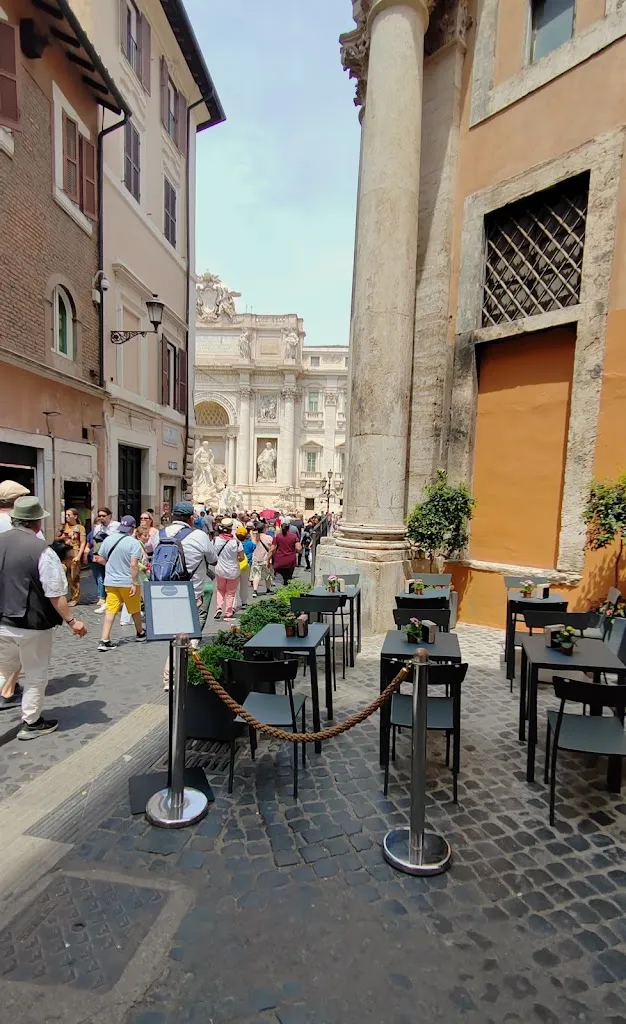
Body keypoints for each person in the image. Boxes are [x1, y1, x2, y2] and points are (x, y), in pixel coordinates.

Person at [0, 496, 87, 738]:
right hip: (31, 623)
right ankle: (32, 722)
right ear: (37, 523)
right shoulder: (42, 551)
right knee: (36, 674)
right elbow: (54, 592)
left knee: (4, 671)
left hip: (2, 621)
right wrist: (72, 621)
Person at [155, 501, 217, 651]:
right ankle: (190, 648)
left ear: (173, 516)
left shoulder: (160, 534)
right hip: (192, 590)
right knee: (193, 620)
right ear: (191, 518)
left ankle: (177, 653)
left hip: (164, 590)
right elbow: (213, 560)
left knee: (175, 630)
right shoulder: (199, 536)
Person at [96, 516, 146, 651]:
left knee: (111, 609)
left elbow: (99, 558)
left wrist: (110, 566)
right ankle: (140, 632)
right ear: (133, 528)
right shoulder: (133, 543)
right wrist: (135, 583)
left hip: (111, 581)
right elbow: (134, 564)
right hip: (127, 581)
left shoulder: (108, 539)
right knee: (134, 608)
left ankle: (104, 639)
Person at [86, 506, 120, 613]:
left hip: (114, 556)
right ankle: (106, 599)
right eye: (99, 516)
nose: (101, 518)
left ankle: (117, 600)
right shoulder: (97, 528)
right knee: (103, 578)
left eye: (103, 516)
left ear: (110, 516)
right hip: (102, 556)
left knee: (113, 578)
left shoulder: (117, 526)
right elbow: (96, 542)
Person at [214, 518, 245, 620]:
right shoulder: (236, 542)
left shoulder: (215, 540)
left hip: (220, 570)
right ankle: (228, 612)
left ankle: (218, 608)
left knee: (220, 590)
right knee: (230, 593)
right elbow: (241, 558)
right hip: (233, 571)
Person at [56, 508, 86, 606]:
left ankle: (75, 598)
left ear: (75, 516)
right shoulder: (63, 527)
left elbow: (83, 542)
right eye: (66, 515)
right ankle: (62, 596)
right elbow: (56, 538)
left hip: (74, 552)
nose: (67, 517)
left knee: (74, 577)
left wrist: (79, 556)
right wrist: (63, 538)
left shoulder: (80, 528)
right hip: (64, 553)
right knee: (62, 575)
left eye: (69, 515)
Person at [270, 521, 302, 586]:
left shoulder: (277, 536)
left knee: (278, 580)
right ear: (289, 528)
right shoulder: (294, 536)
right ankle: (287, 593)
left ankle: (279, 594)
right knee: (288, 579)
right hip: (290, 560)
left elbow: (272, 549)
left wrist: (268, 559)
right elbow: (299, 548)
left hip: (279, 560)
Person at [250, 522, 274, 597]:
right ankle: (268, 589)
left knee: (256, 575)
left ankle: (255, 590)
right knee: (268, 574)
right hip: (266, 558)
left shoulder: (254, 537)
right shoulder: (269, 538)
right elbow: (272, 548)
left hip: (256, 558)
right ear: (264, 529)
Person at [236, 525, 254, 609]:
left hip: (235, 565)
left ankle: (233, 603)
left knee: (234, 586)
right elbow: (255, 546)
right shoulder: (249, 543)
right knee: (244, 585)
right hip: (245, 565)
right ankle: (244, 602)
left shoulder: (234, 543)